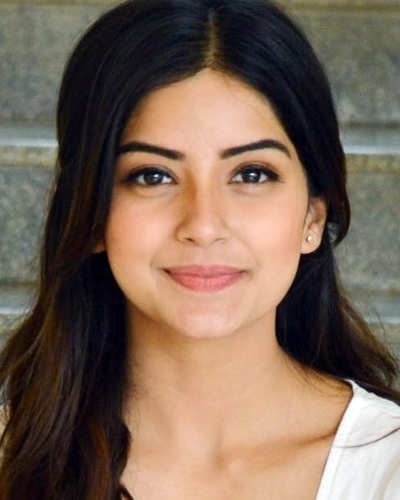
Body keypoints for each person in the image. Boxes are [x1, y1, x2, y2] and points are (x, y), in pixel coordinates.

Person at [0, 0, 399, 498]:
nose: (204, 226)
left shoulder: (388, 466)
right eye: (153, 176)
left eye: (251, 174)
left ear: (312, 217)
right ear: (92, 214)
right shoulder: (12, 462)